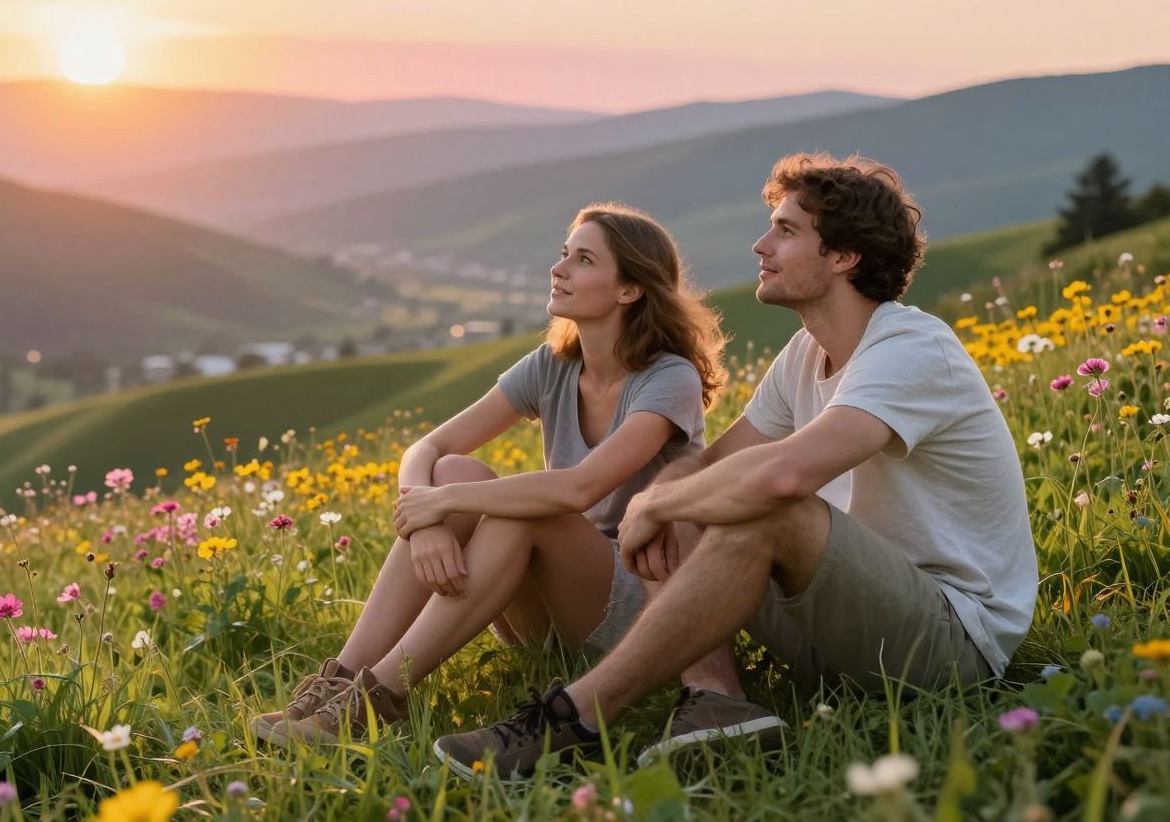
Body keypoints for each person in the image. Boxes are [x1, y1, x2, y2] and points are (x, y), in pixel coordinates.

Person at [434, 153, 1038, 778]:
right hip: (837, 623)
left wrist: (652, 503)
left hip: (948, 638)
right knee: (700, 491)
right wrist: (670, 498)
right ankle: (719, 702)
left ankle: (573, 718)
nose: (760, 244)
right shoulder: (805, 354)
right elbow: (709, 465)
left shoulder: (911, 349)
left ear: (843, 257)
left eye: (785, 230)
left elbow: (783, 478)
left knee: (759, 504)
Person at [251, 202, 726, 746]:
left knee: (518, 510)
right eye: (563, 254)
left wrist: (446, 500)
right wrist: (428, 519)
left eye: (584, 260)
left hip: (634, 604)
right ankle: (338, 686)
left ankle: (376, 701)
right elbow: (427, 447)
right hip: (539, 608)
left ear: (630, 289)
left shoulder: (670, 378)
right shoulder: (552, 365)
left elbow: (580, 488)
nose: (561, 269)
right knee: (455, 467)